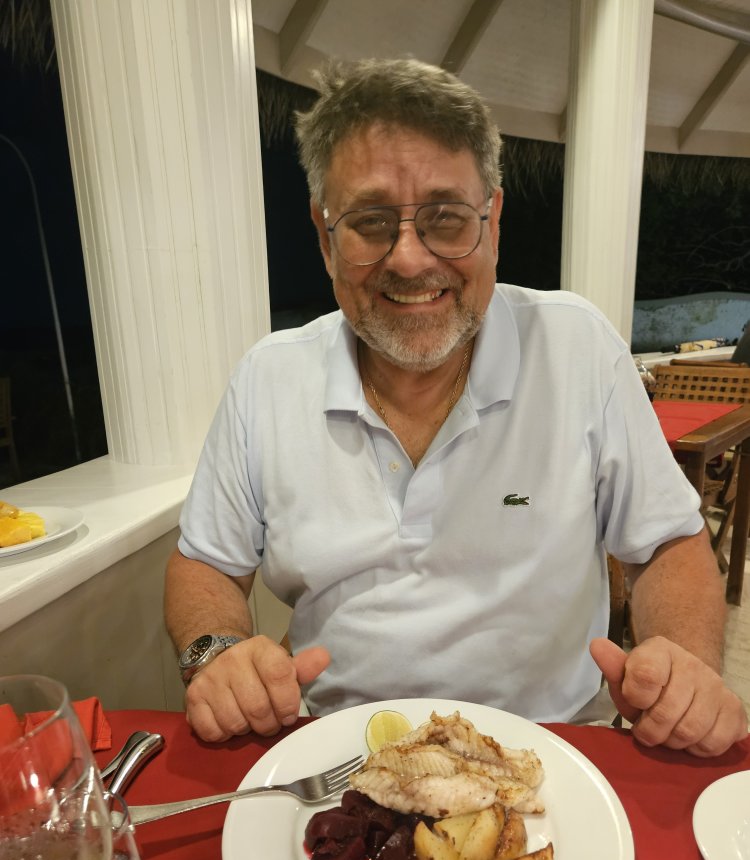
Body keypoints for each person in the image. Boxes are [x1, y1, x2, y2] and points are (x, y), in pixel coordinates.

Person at [164, 57, 747, 757]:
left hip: (553, 752)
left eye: (445, 217)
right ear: (325, 239)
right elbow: (206, 563)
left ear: (492, 222)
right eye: (371, 221)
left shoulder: (578, 348)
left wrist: (685, 664)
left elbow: (667, 544)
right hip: (339, 754)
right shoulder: (267, 378)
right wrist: (217, 652)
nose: (410, 260)